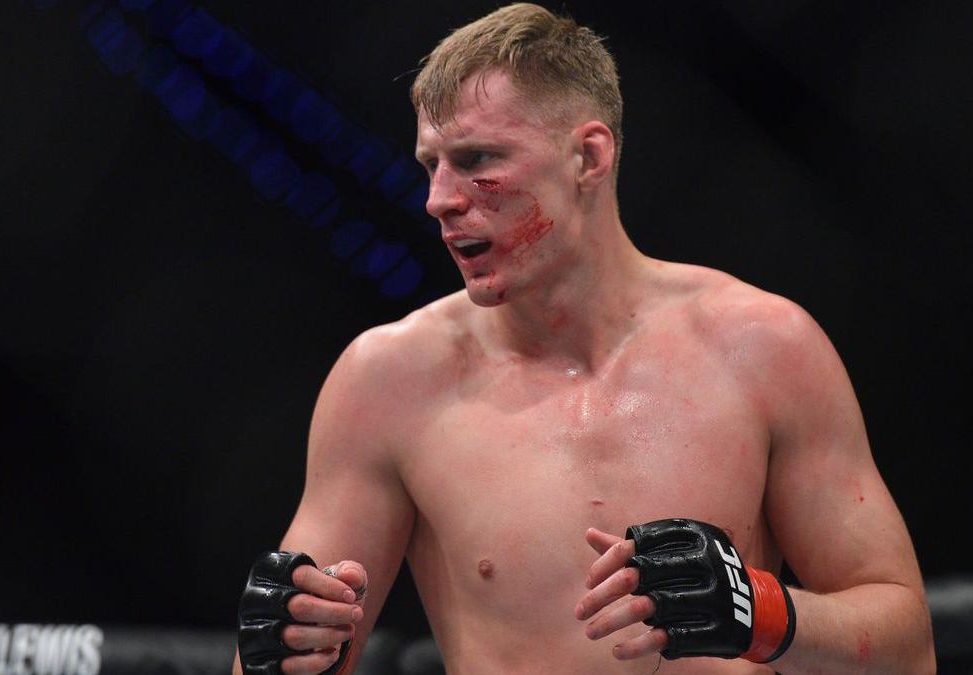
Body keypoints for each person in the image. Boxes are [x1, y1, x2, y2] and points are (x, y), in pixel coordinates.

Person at [233, 4, 936, 674]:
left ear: (588, 157)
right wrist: (286, 651)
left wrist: (760, 611)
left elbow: (908, 651)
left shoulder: (763, 347)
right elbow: (285, 650)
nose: (439, 199)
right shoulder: (389, 379)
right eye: (430, 165)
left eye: (477, 159)